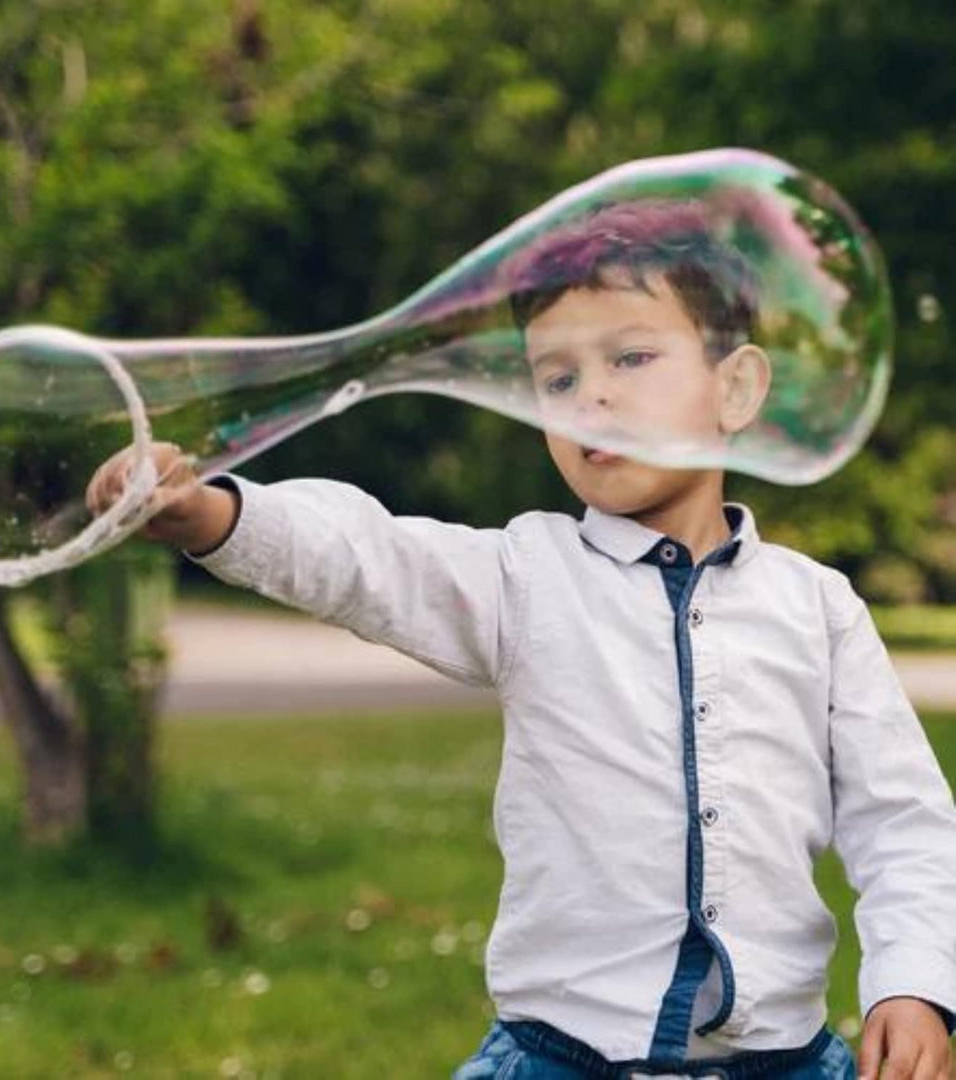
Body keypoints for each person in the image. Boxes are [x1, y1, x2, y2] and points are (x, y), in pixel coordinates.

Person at [86, 200, 956, 1079]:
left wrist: (912, 986)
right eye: (558, 379)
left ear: (735, 387)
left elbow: (904, 821)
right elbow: (367, 556)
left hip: (782, 1060)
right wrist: (214, 513)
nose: (594, 397)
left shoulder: (820, 607)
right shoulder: (527, 574)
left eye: (632, 357)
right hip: (563, 1058)